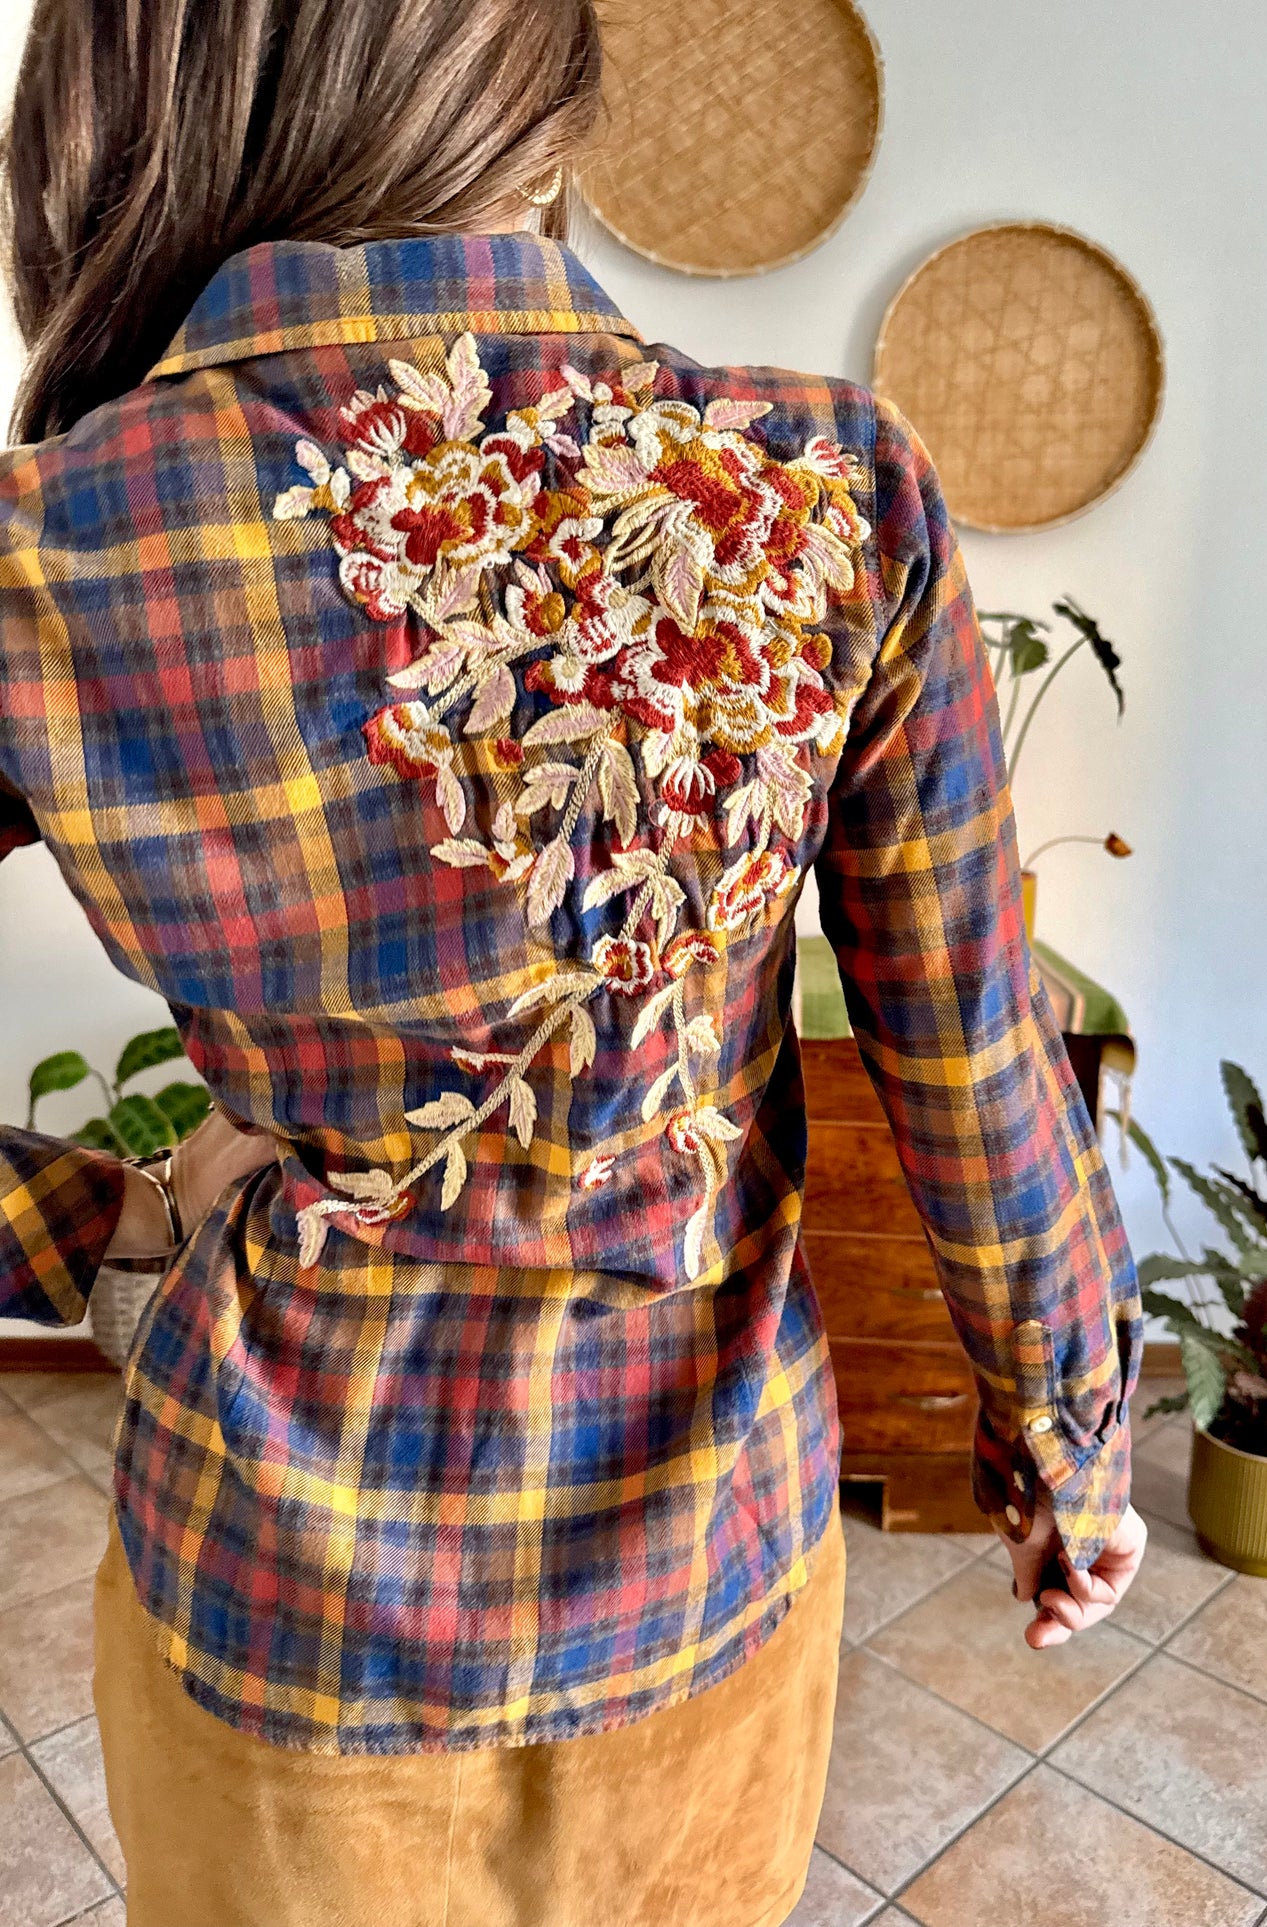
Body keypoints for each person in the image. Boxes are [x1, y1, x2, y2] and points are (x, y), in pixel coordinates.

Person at [0, 2, 1147, 1922]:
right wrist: (1068, 1449)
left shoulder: (53, 552)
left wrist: (96, 1224)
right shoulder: (824, 487)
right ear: (532, 114)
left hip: (285, 1611)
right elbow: (971, 1056)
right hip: (707, 1572)